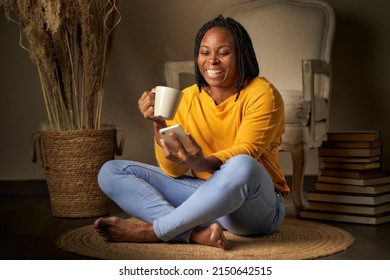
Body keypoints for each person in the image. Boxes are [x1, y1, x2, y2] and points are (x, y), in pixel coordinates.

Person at [94, 15, 289, 250]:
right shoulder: (186, 98)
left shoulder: (262, 93)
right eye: (205, 53)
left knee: (243, 164)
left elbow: (246, 150)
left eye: (223, 53)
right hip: (205, 198)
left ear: (241, 56)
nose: (212, 61)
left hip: (253, 207)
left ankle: (157, 231)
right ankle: (195, 233)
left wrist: (202, 163)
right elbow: (173, 170)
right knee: (110, 172)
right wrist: (159, 123)